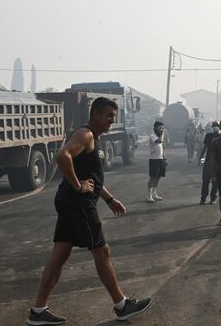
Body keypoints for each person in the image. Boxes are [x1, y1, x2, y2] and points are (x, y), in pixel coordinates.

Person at [27, 97, 151, 325]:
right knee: (101, 251)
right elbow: (62, 156)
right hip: (78, 204)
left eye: (114, 117)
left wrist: (109, 199)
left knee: (59, 255)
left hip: (70, 202)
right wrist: (78, 185)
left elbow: (92, 178)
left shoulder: (93, 137)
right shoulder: (85, 135)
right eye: (108, 116)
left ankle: (38, 310)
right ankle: (122, 305)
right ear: (95, 115)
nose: (112, 121)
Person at [198, 121, 220, 205]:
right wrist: (201, 159)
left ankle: (213, 198)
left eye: (216, 126)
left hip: (217, 163)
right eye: (214, 126)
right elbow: (204, 148)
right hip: (208, 161)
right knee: (205, 181)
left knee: (215, 182)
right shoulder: (208, 136)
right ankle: (203, 198)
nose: (215, 127)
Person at [147, 121, 166, 203]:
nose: (161, 130)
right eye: (159, 128)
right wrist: (162, 133)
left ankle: (154, 193)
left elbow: (162, 148)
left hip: (160, 159)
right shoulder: (153, 136)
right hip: (153, 159)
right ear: (155, 128)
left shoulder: (159, 136)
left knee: (158, 177)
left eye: (162, 128)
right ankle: (149, 195)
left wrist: (165, 158)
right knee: (153, 177)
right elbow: (159, 141)